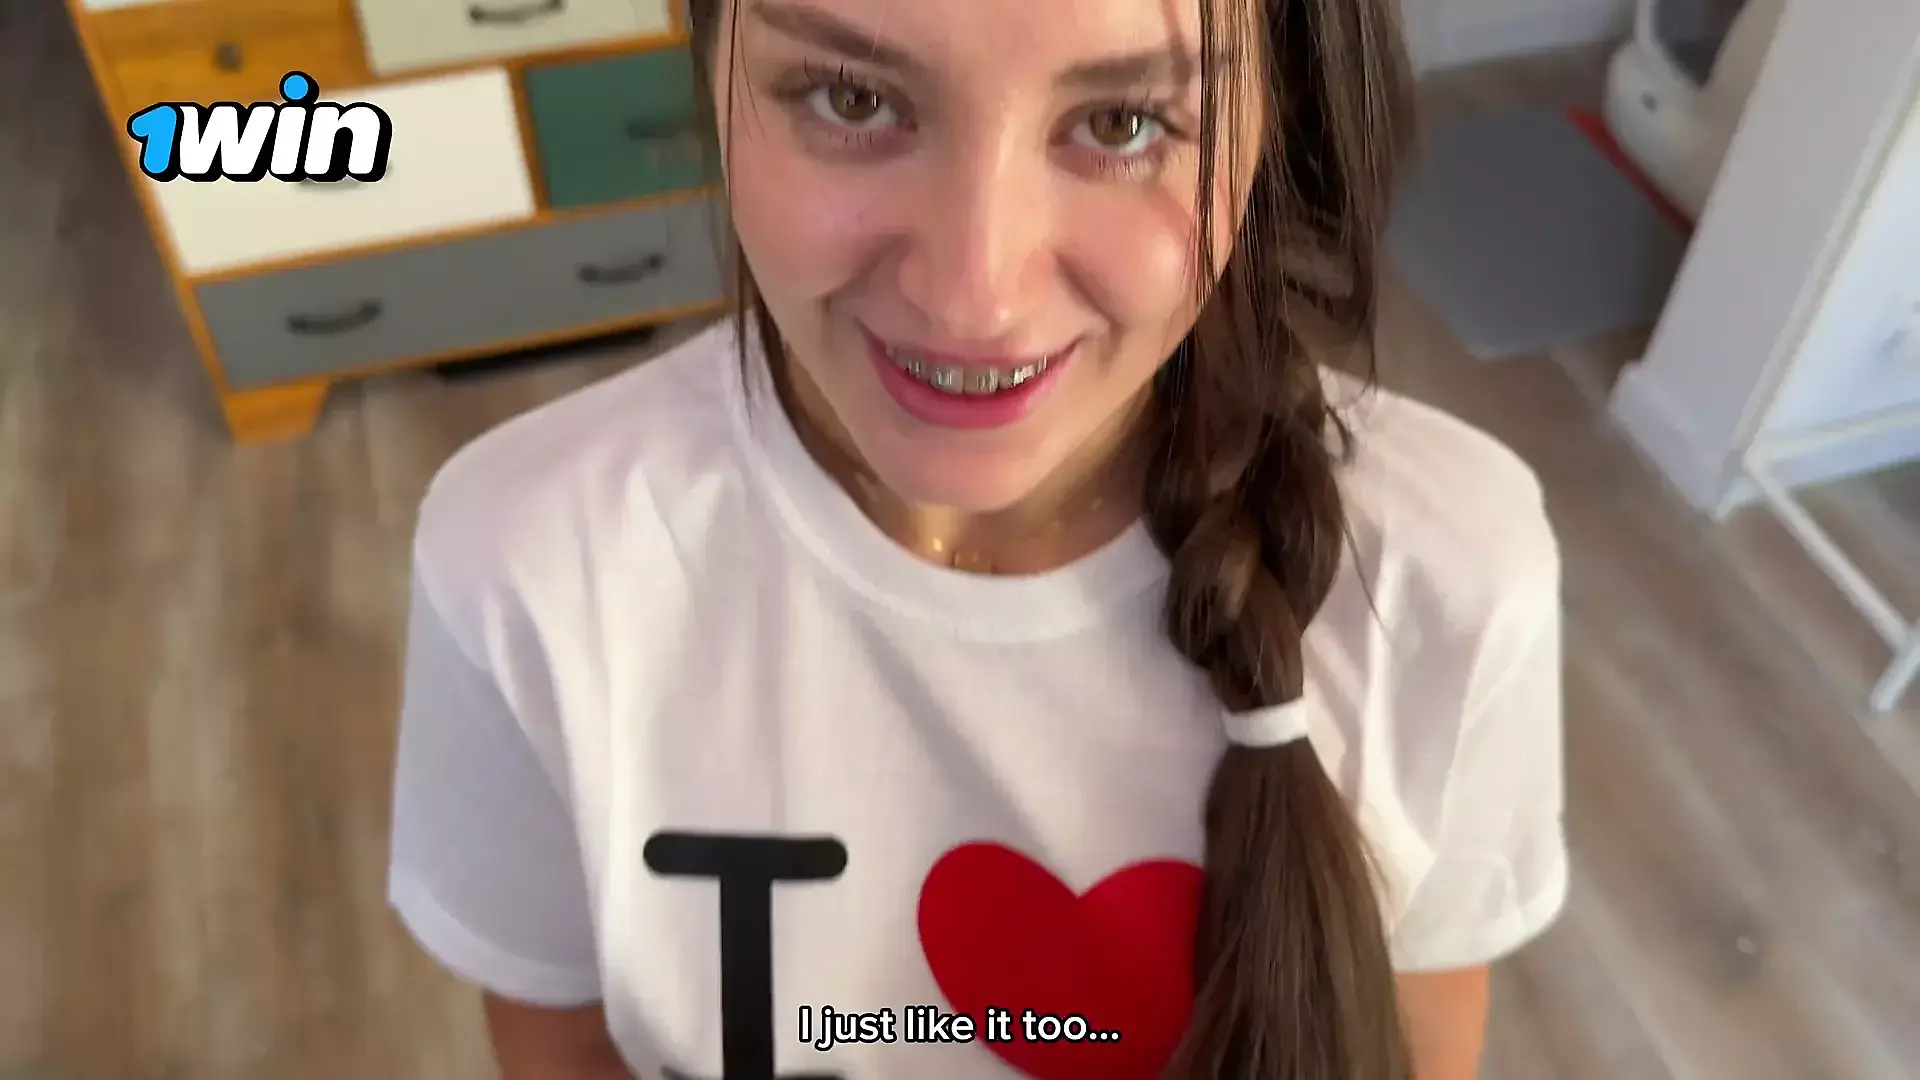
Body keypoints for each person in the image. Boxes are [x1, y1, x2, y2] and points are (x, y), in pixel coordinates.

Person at [385, 0, 1569, 1075]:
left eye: (1122, 122)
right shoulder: (527, 569)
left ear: (1279, 117)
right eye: (851, 98)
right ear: (707, 59)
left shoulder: (1446, 575)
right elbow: (563, 1040)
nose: (973, 297)